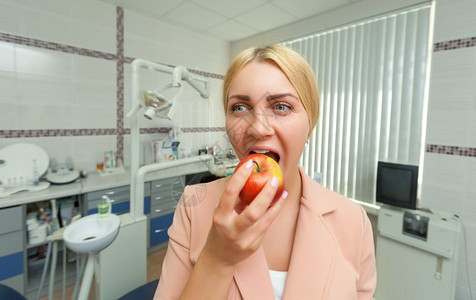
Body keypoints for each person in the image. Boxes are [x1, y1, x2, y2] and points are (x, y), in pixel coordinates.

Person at [154, 44, 377, 299]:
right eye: (239, 107)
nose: (257, 129)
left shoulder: (354, 222)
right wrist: (217, 258)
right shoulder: (194, 207)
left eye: (281, 106)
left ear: (311, 123)